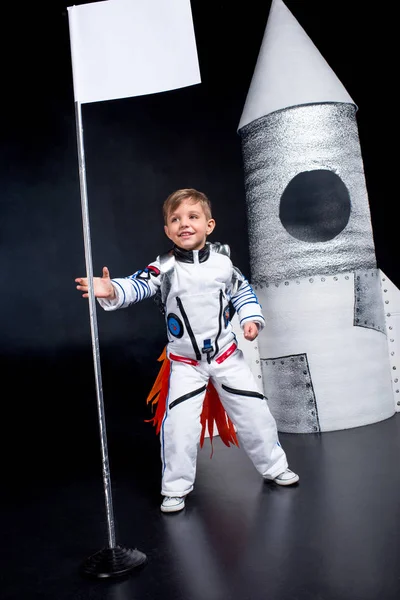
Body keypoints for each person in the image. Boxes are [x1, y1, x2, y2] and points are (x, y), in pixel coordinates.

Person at [75, 188, 299, 513]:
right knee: (178, 426)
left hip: (226, 357)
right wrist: (112, 289)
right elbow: (138, 285)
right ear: (167, 230)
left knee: (255, 414)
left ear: (209, 225)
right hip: (184, 364)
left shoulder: (224, 265)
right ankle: (175, 488)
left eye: (193, 217)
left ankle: (275, 467)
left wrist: (251, 319)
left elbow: (243, 293)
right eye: (175, 219)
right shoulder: (164, 268)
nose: (185, 224)